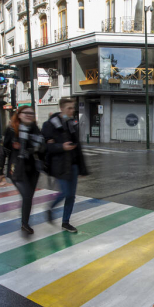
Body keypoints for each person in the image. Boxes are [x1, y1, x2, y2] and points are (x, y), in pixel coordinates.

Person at [41, 98, 88, 233]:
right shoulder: (50, 125)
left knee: (71, 195)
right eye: (69, 108)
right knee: (65, 193)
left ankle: (66, 222)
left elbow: (78, 147)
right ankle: (50, 208)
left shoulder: (72, 124)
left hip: (72, 165)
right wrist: (61, 146)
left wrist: (82, 168)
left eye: (73, 108)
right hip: (59, 165)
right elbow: (46, 147)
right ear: (61, 108)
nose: (72, 110)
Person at [0, 106, 45, 234]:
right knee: (27, 196)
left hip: (33, 170)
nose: (29, 115)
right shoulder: (12, 130)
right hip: (17, 170)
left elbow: (42, 148)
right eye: (26, 113)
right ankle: (25, 224)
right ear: (19, 114)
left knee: (28, 197)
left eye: (31, 113)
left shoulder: (35, 130)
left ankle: (25, 222)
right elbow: (3, 152)